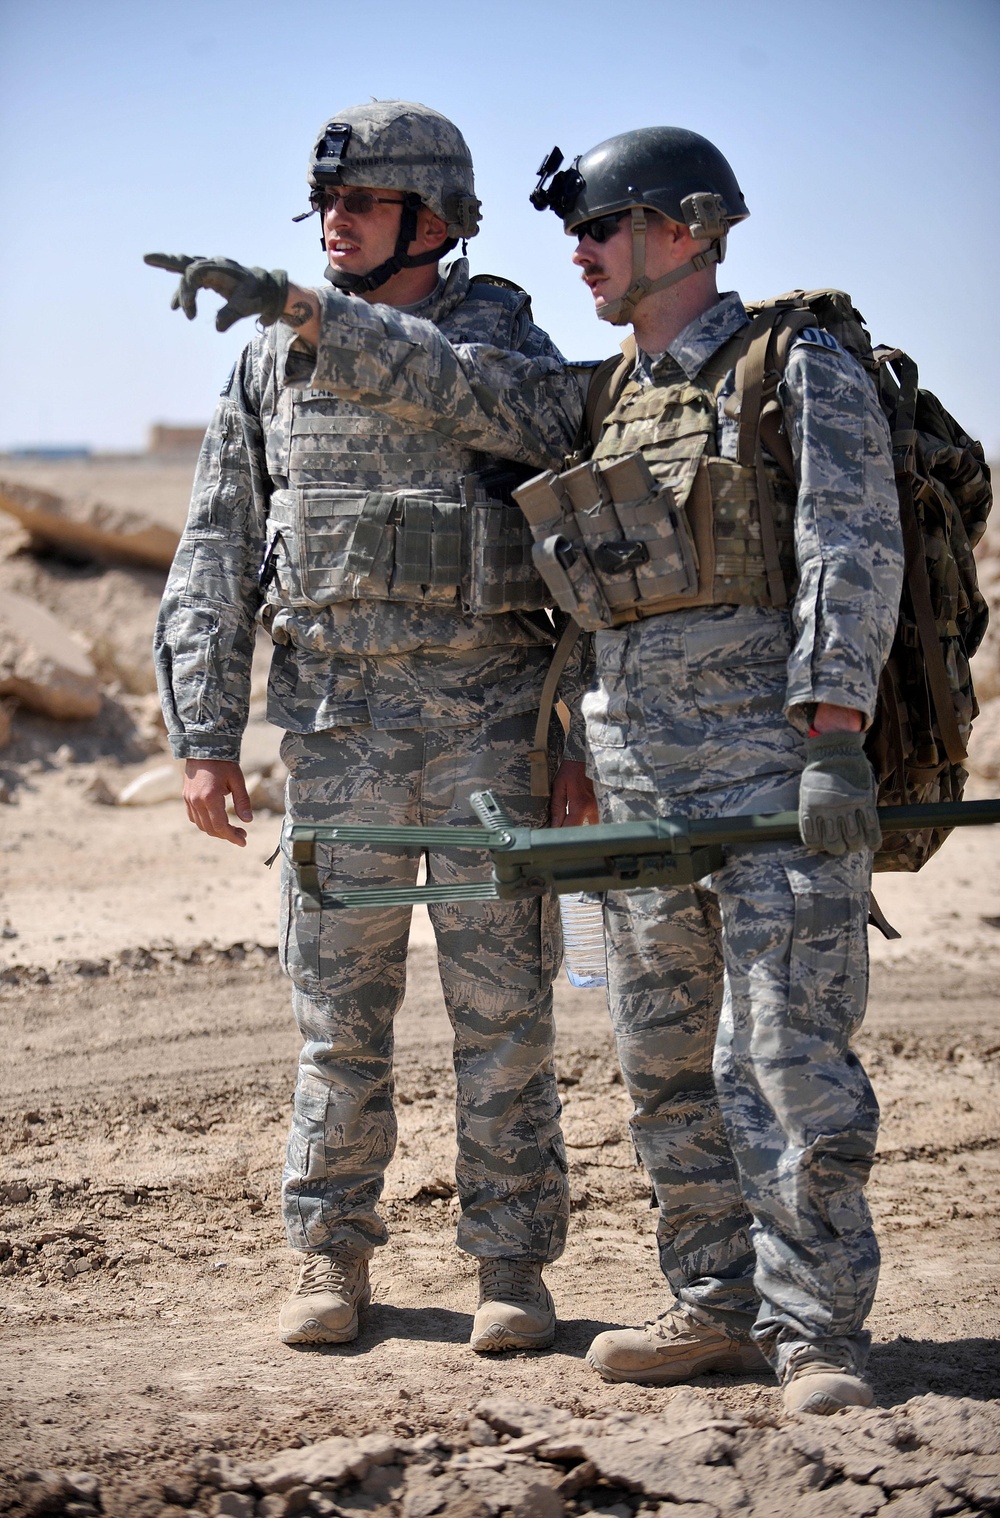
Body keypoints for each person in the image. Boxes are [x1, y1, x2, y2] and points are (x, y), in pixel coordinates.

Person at [148, 100, 592, 1354]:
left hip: (495, 746)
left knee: (505, 1026)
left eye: (360, 204)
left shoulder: (505, 343)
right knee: (338, 1029)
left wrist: (576, 752)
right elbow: (215, 553)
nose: (333, 225)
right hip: (338, 744)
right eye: (324, 206)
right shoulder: (267, 362)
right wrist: (204, 732)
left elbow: (553, 495)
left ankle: (512, 1269)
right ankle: (327, 1256)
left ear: (434, 219)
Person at [524, 127, 903, 1414]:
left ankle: (815, 1335)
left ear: (684, 230)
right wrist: (574, 750)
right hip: (636, 786)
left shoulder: (791, 366)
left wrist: (836, 734)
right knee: (663, 1056)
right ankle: (711, 1305)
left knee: (785, 1057)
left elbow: (849, 548)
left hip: (770, 780)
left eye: (599, 227)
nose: (577, 252)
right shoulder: (606, 396)